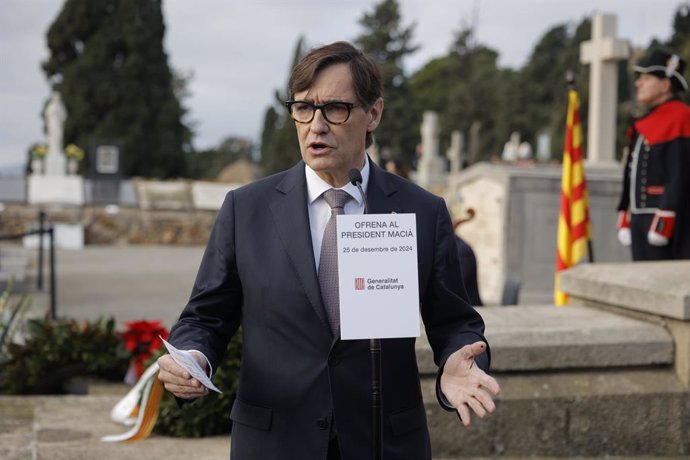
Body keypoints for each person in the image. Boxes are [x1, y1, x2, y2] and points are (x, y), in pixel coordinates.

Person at [157, 41, 500, 460]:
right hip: (275, 442)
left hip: (385, 443)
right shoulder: (245, 209)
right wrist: (193, 357)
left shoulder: (422, 211)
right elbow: (205, 316)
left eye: (335, 109)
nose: (315, 126)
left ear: (374, 113)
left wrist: (457, 362)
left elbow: (455, 324)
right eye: (303, 108)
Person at [617, 49, 690, 261]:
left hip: (667, 220)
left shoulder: (681, 117)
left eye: (646, 78)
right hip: (640, 218)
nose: (639, 83)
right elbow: (631, 173)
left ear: (665, 85)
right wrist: (625, 211)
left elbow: (679, 173)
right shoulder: (646, 121)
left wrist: (665, 216)